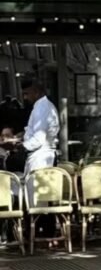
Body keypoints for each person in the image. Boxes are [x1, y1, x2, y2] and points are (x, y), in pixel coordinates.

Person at [21, 77, 59, 206]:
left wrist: (20, 146)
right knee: (39, 199)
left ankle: (38, 225)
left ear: (36, 92)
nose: (25, 98)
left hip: (40, 158)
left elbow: (38, 138)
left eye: (27, 93)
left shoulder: (42, 108)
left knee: (38, 201)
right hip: (41, 156)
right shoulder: (43, 106)